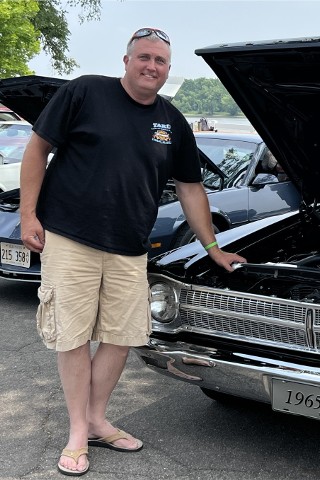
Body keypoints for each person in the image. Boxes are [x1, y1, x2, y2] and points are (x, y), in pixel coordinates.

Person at [19, 27, 246, 476]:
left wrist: (214, 247)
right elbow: (38, 148)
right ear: (126, 61)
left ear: (168, 70)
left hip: (129, 248)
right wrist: (29, 215)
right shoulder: (86, 92)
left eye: (160, 61)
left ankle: (98, 418)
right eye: (144, 57)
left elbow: (191, 188)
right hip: (70, 237)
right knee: (73, 336)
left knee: (122, 338)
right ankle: (77, 433)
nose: (151, 67)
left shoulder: (172, 122)